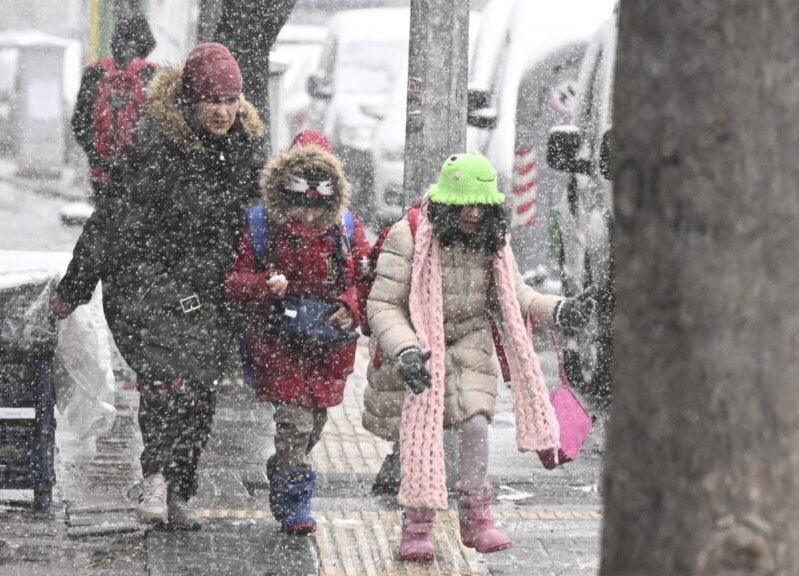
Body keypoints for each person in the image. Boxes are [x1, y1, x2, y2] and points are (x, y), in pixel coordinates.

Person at [52, 42, 268, 529]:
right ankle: (155, 477)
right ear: (190, 99)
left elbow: (262, 222)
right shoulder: (152, 149)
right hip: (146, 284)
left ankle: (179, 488)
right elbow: (110, 222)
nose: (222, 112)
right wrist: (76, 286)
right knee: (168, 382)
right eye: (213, 100)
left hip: (210, 291)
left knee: (198, 392)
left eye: (231, 101)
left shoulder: (244, 153)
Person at [365, 151, 596, 561]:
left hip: (468, 340)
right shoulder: (409, 234)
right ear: (446, 204)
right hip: (417, 345)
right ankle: (417, 524)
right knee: (422, 433)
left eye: (482, 205)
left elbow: (516, 296)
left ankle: (477, 516)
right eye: (465, 205)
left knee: (474, 423)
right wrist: (404, 350)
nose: (474, 214)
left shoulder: (493, 240)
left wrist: (560, 311)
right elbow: (382, 305)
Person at [225, 130, 370, 534]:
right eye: (296, 206)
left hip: (327, 345)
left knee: (315, 424)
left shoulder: (345, 228)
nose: (306, 218)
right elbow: (233, 281)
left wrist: (350, 306)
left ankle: (284, 469)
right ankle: (295, 503)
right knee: (294, 423)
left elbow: (367, 278)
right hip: (277, 341)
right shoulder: (259, 225)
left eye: (316, 207)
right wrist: (264, 284)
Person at [71, 13, 158, 204]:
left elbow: (78, 124)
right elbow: (159, 129)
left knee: (106, 224)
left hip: (101, 175)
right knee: (135, 228)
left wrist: (99, 158)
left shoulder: (95, 71)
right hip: (139, 177)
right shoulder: (153, 74)